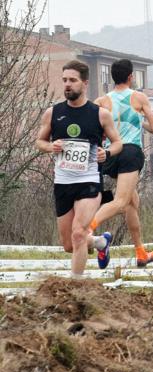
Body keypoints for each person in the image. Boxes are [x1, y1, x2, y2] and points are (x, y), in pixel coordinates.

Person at [35, 60, 122, 277]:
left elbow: (118, 143)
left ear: (84, 83)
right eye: (64, 80)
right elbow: (39, 141)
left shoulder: (100, 114)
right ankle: (101, 242)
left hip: (89, 181)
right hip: (63, 183)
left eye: (72, 80)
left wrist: (107, 153)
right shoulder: (52, 113)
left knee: (78, 234)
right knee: (69, 244)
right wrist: (50, 146)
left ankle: (76, 287)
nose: (67, 85)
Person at [90, 59, 153, 268]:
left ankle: (140, 252)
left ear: (111, 77)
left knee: (132, 203)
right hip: (130, 152)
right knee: (121, 201)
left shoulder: (101, 101)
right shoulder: (138, 97)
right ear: (131, 77)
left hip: (111, 154)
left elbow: (96, 131)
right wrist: (140, 121)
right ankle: (88, 228)